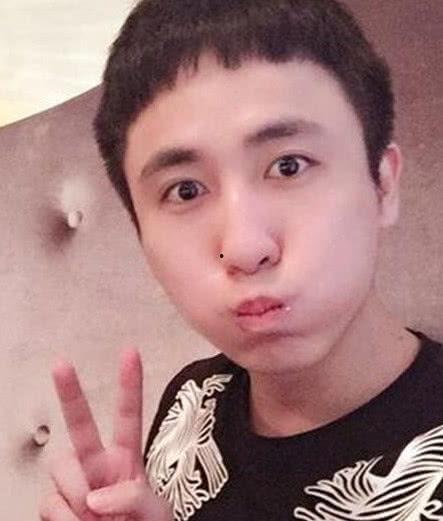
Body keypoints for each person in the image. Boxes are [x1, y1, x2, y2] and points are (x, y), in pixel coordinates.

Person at [39, 0, 443, 520]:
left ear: (382, 184)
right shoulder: (194, 403)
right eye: (185, 191)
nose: (246, 249)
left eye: (289, 166)